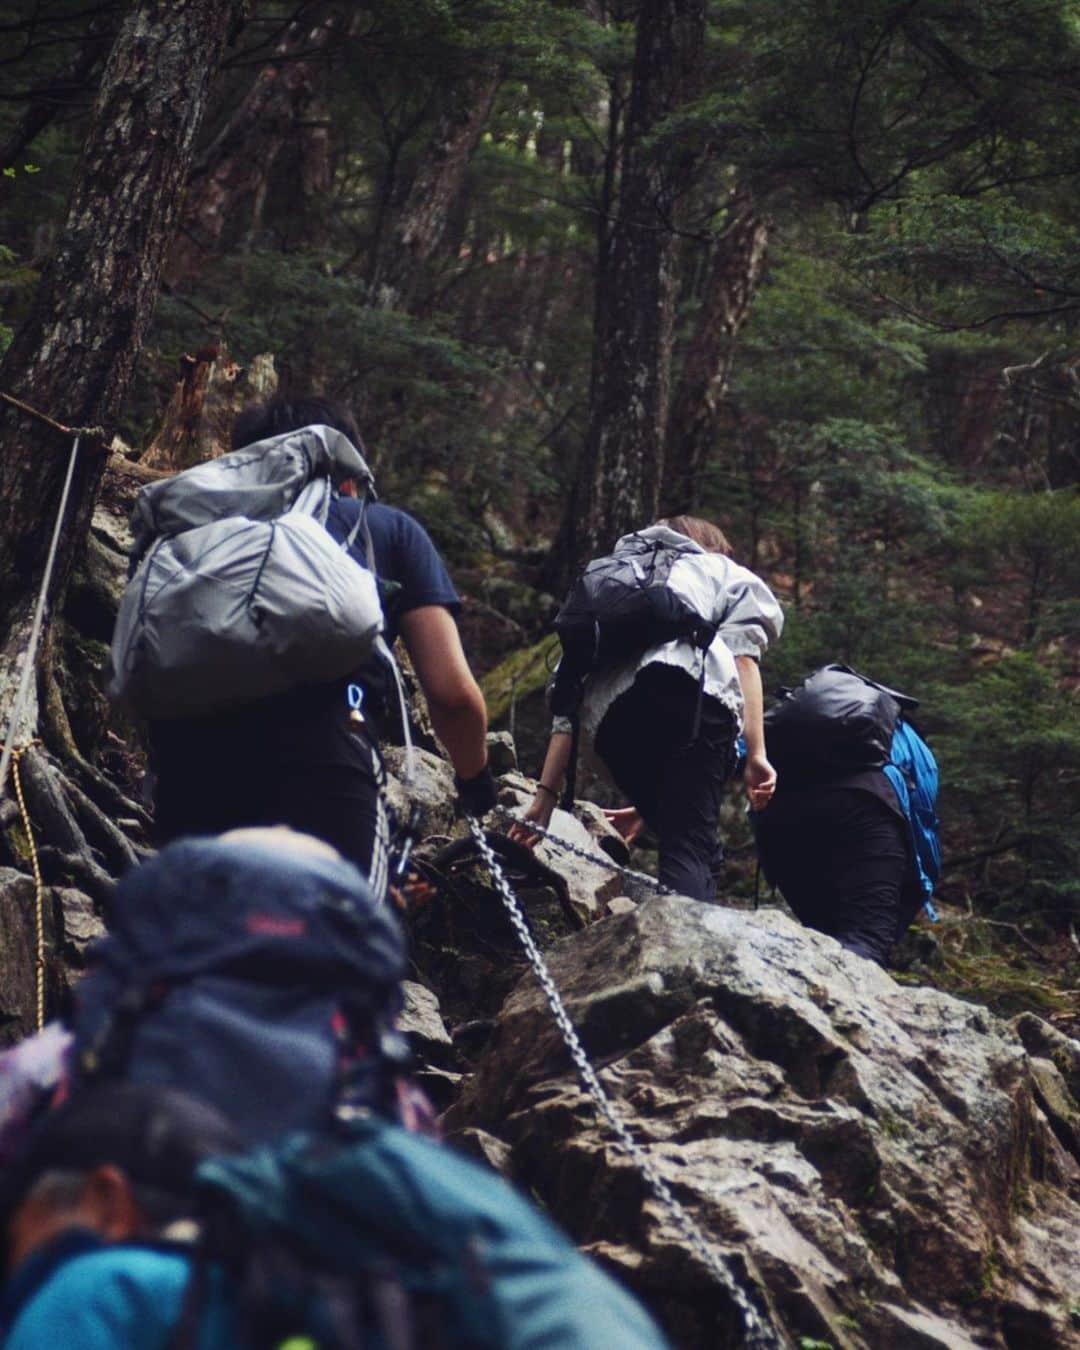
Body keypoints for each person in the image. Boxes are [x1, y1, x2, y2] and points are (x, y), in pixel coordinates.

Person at [148, 394, 496, 894]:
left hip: (188, 765)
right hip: (326, 751)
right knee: (333, 951)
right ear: (349, 475)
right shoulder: (385, 528)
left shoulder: (196, 534)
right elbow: (453, 696)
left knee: (201, 946)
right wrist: (475, 782)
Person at [514, 516, 783, 902]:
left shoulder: (608, 581)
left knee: (688, 838)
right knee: (692, 847)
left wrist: (544, 799)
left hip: (609, 725)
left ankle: (679, 928)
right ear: (710, 544)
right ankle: (684, 952)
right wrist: (756, 754)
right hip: (691, 699)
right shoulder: (716, 568)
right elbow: (742, 658)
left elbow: (567, 705)